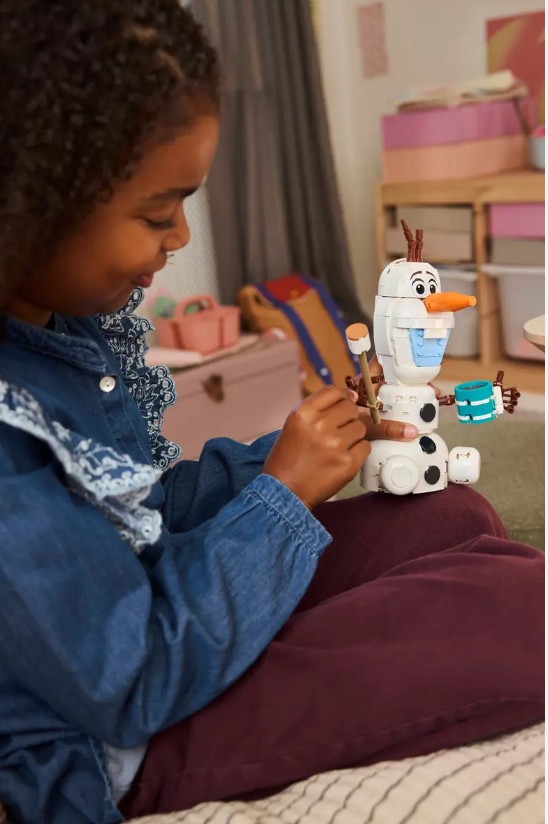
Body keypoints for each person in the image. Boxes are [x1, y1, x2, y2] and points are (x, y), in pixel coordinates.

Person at [0, 3, 543, 823]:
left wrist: (293, 454)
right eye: (158, 213)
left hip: (173, 608)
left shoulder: (63, 335)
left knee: (450, 514)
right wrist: (281, 499)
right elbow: (131, 676)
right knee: (521, 612)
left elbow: (148, 509)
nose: (182, 237)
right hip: (125, 737)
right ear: (29, 204)